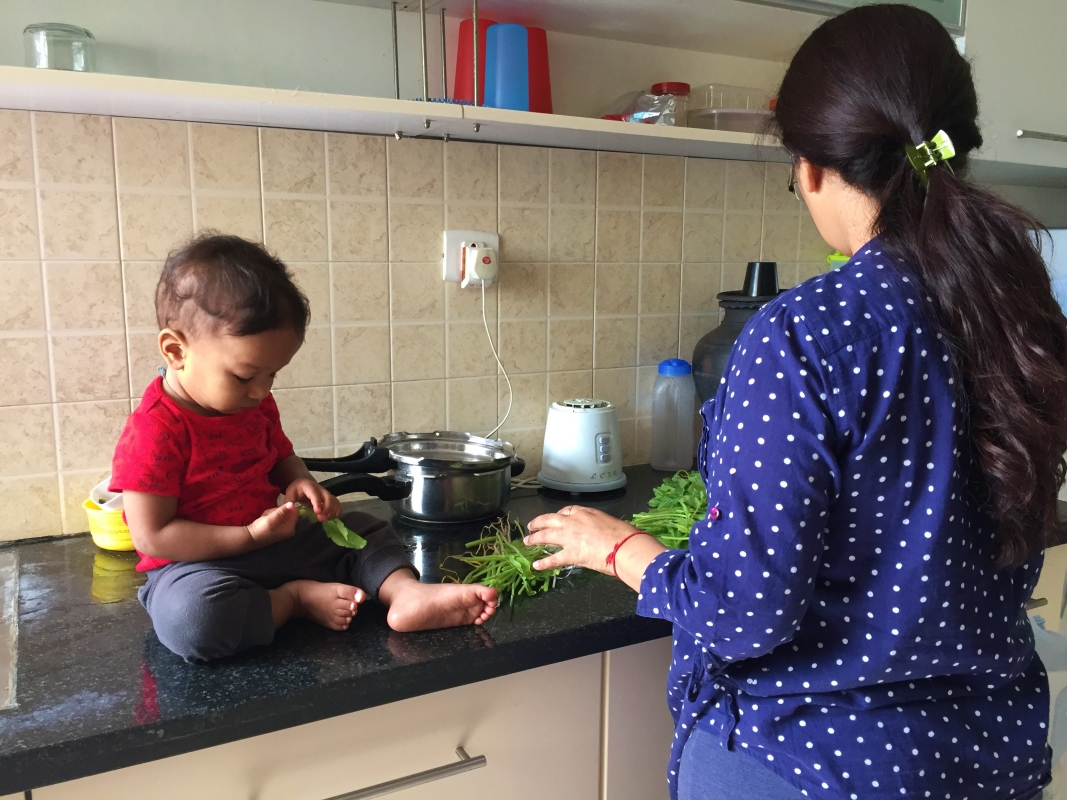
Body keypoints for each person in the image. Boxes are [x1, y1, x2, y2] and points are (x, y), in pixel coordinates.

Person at [526, 5, 1067, 799]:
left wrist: (620, 548)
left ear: (810, 164)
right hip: (986, 758)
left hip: (811, 762)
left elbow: (743, 609)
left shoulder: (806, 333)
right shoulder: (1022, 315)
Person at [111, 234, 497, 663]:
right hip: (198, 569)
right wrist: (247, 537)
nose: (261, 391)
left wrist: (300, 481)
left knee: (364, 527)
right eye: (244, 376)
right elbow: (154, 535)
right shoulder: (155, 430)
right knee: (193, 620)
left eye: (272, 375)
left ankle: (407, 594)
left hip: (277, 544)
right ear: (175, 350)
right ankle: (293, 600)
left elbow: (278, 457)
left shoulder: (253, 404)